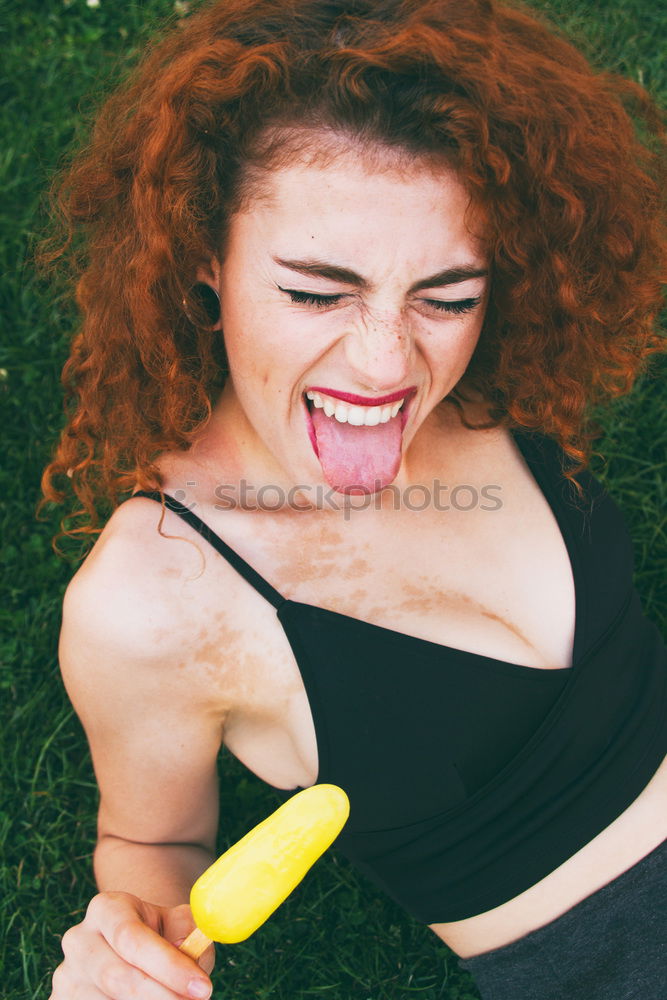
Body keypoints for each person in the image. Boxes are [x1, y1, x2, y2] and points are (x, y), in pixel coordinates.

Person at [39, 0, 667, 998]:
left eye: (448, 295)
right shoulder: (150, 604)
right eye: (315, 291)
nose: (387, 364)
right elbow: (149, 839)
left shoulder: (499, 383)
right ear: (206, 258)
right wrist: (130, 948)